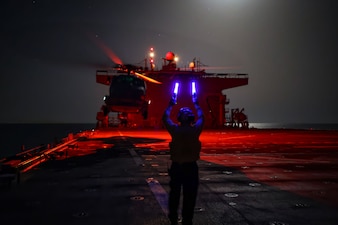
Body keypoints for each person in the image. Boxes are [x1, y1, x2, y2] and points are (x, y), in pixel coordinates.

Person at [162, 92, 204, 225]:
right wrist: (196, 103)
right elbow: (202, 117)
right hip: (189, 168)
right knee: (188, 196)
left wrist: (171, 104)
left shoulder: (175, 129)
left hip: (179, 167)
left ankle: (175, 219)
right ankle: (185, 220)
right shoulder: (195, 129)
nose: (185, 111)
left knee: (176, 195)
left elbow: (165, 117)